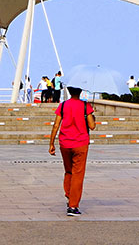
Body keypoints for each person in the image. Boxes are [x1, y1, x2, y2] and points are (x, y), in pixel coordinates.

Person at [49, 86, 96, 217]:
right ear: (80, 92)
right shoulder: (86, 106)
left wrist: (51, 143)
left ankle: (69, 195)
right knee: (78, 174)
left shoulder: (63, 105)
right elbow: (92, 126)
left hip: (65, 143)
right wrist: (93, 116)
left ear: (69, 91)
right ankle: (73, 205)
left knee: (69, 171)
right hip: (80, 144)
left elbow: (56, 125)